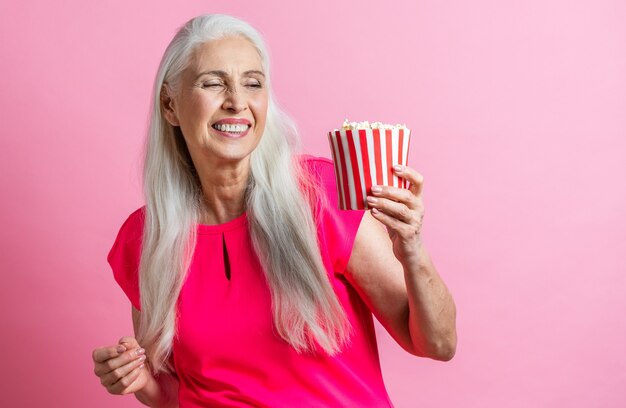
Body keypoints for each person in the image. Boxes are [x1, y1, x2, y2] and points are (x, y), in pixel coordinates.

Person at [91, 14, 456, 408]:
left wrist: (413, 251)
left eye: (253, 83)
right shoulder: (144, 240)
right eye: (213, 83)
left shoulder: (321, 196)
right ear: (170, 104)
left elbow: (437, 343)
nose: (236, 101)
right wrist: (139, 379)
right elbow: (174, 395)